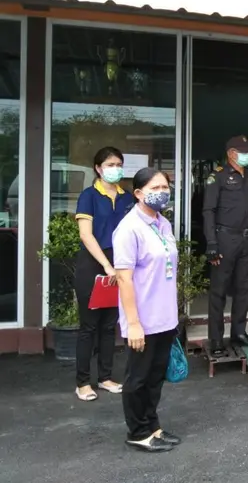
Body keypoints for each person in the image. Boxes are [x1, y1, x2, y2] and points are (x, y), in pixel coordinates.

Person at [113, 168, 180, 452]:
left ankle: (153, 426)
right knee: (138, 379)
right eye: (155, 188)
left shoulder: (163, 223)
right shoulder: (129, 228)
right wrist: (133, 323)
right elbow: (124, 279)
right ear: (139, 193)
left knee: (155, 377)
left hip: (165, 317)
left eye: (165, 187)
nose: (162, 192)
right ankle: (138, 432)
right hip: (142, 319)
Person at [73, 147, 134, 401]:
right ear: (98, 168)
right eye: (110, 164)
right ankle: (82, 382)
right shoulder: (89, 196)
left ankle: (105, 377)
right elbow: (85, 234)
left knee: (109, 325)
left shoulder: (127, 197)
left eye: (119, 164)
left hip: (119, 264)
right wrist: (107, 265)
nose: (115, 169)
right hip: (93, 264)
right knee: (89, 326)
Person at [202, 135, 248, 356]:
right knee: (219, 290)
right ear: (231, 153)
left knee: (245, 288)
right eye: (243, 152)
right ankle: (216, 339)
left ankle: (238, 332)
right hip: (225, 239)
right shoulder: (218, 177)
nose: (247, 156)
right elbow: (208, 211)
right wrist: (211, 243)